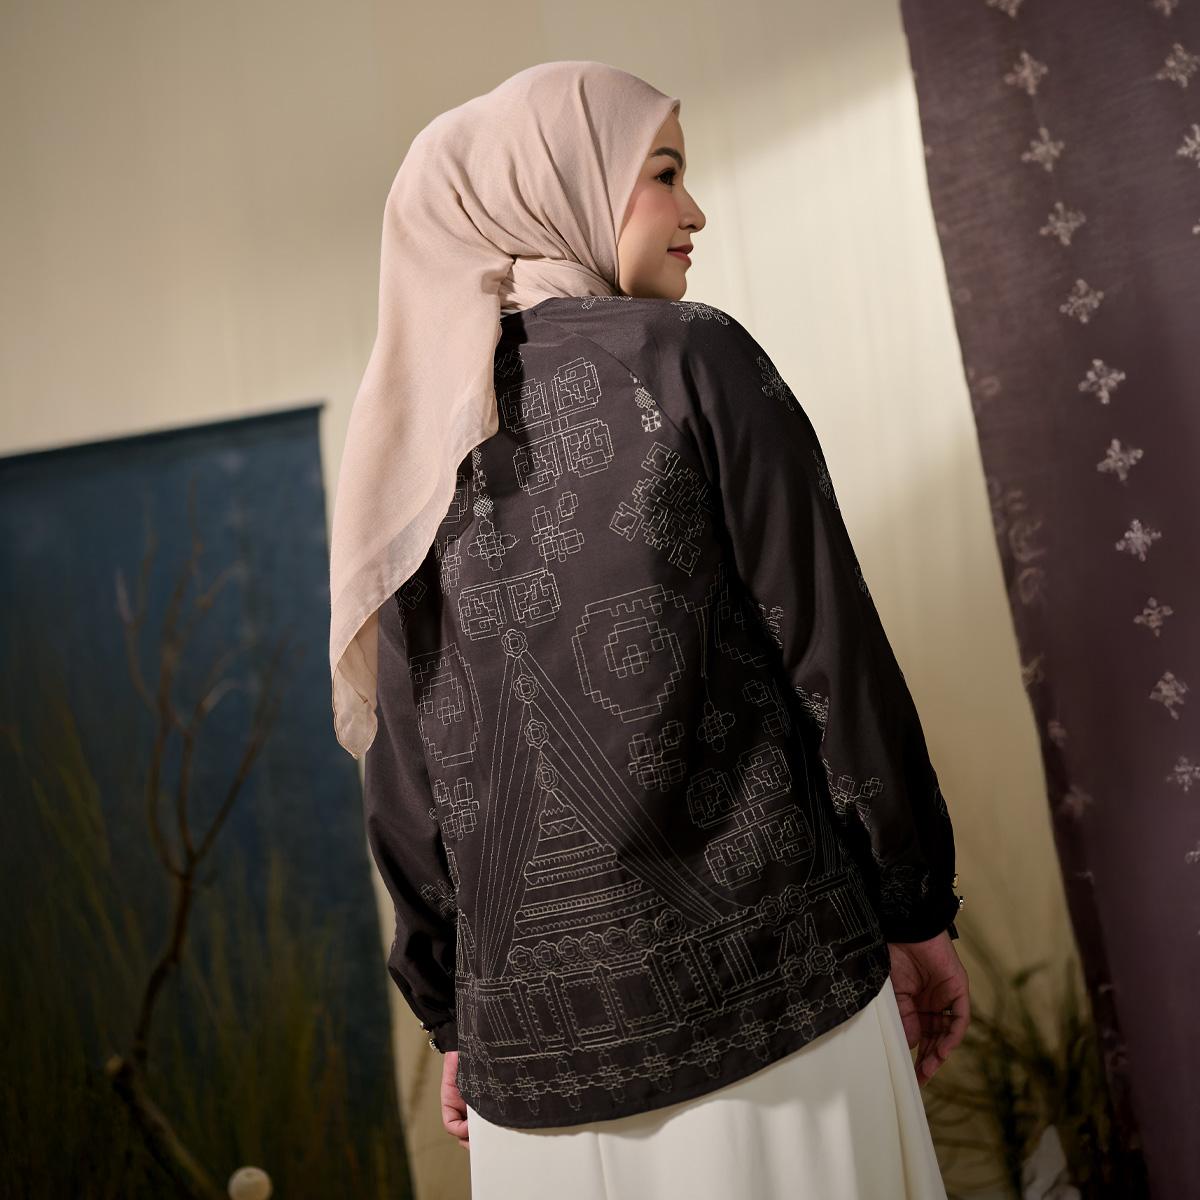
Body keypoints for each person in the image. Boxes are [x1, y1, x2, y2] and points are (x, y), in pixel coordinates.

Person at [328, 60, 970, 1200]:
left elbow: (405, 772)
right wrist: (916, 906)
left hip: (532, 1086)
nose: (695, 210)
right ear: (556, 182)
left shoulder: (404, 441)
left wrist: (454, 1012)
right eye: (663, 173)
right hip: (784, 1022)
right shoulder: (687, 355)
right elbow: (831, 655)